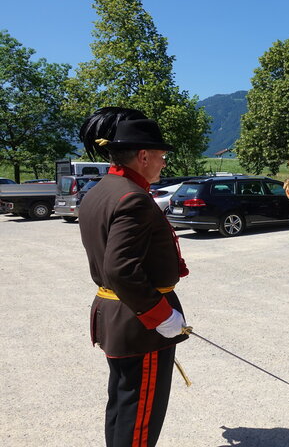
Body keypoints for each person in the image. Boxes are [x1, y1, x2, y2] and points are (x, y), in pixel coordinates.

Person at [78, 107, 189, 446]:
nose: (163, 163)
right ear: (143, 156)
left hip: (119, 315)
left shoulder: (103, 189)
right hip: (140, 322)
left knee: (124, 406)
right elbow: (121, 268)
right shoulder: (133, 198)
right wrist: (160, 315)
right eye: (161, 156)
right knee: (140, 416)